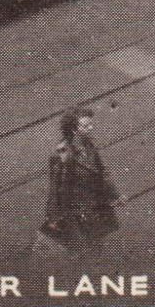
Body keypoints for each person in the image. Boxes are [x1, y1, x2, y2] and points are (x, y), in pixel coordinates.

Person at [40, 107, 120, 254]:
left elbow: (102, 171)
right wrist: (53, 216)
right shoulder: (62, 155)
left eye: (90, 124)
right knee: (81, 247)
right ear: (74, 130)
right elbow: (55, 187)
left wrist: (114, 195)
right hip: (75, 208)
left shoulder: (88, 145)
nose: (91, 128)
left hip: (94, 203)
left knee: (97, 240)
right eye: (86, 126)